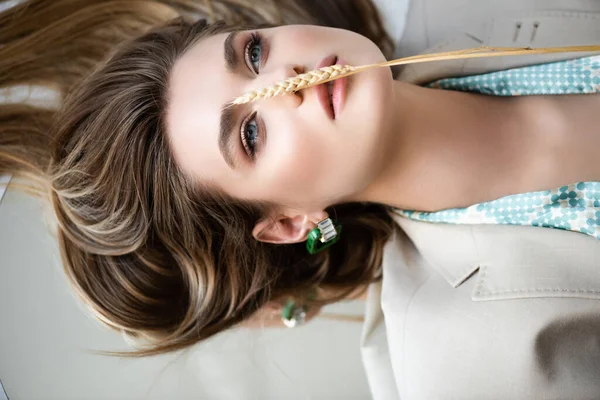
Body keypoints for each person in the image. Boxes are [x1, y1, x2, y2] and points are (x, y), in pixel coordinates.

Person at [1, 0, 599, 398]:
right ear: (289, 222)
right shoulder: (475, 363)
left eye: (254, 55)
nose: (285, 82)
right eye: (251, 134)